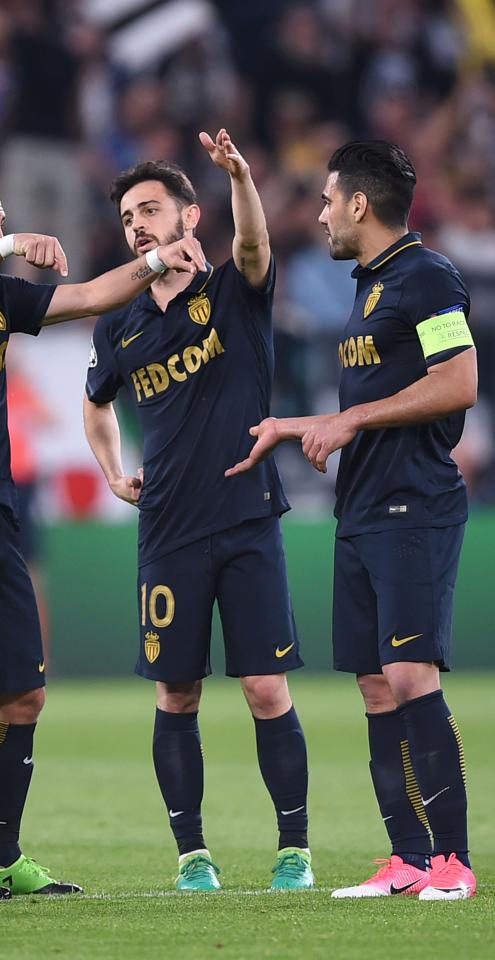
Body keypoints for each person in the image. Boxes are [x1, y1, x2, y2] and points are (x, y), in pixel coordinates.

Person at [0, 172, 205, 902]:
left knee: (22, 696)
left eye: (2, 224)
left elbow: (90, 295)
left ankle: (2, 857)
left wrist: (158, 260)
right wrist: (15, 245)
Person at [227, 140, 478, 901]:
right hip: (362, 507)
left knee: (407, 674)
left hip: (413, 504)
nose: (321, 212)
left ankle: (453, 863)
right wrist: (293, 424)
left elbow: (458, 383)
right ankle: (405, 859)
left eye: (329, 199)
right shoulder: (370, 285)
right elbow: (369, 409)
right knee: (374, 686)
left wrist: (349, 419)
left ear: (360, 205)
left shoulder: (427, 276)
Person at [83, 131, 314, 892]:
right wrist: (113, 471)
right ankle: (192, 856)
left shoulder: (233, 290)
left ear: (189, 218)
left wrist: (242, 176)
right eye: (127, 217)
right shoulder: (117, 323)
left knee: (264, 688)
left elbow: (253, 240)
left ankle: (294, 851)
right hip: (168, 531)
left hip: (247, 518)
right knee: (175, 692)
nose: (137, 225)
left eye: (150, 210)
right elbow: (95, 405)